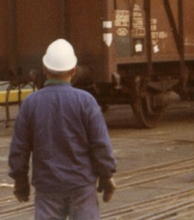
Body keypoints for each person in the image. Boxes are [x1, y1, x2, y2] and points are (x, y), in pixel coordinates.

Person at [8, 39, 116, 219]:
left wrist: (20, 180)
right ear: (73, 71)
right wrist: (106, 175)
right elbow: (100, 145)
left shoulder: (31, 104)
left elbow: (19, 148)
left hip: (47, 187)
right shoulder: (86, 102)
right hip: (81, 185)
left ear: (44, 69)